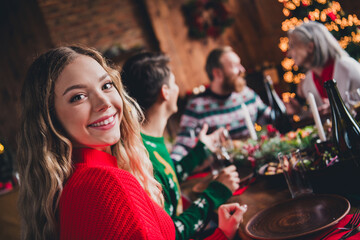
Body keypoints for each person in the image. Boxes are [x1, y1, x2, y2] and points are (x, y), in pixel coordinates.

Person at [17, 46, 246, 240]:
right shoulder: (107, 184)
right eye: (78, 96)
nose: (104, 102)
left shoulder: (80, 178)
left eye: (106, 85)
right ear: (50, 118)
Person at [121, 52, 245, 239]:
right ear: (165, 92)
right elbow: (171, 233)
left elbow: (167, 181)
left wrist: (200, 150)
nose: (177, 88)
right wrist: (213, 195)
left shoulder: (146, 140)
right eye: (174, 83)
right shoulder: (142, 154)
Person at [171, 46, 269, 162]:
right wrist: (172, 167)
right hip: (224, 170)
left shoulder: (245, 93)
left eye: (240, 64)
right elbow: (182, 146)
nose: (242, 69)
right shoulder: (197, 106)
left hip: (256, 161)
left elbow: (269, 117)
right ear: (217, 73)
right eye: (235, 66)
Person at [286, 21, 360, 115]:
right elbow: (319, 121)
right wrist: (300, 112)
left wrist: (337, 109)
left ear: (310, 47)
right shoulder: (307, 82)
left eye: (292, 46)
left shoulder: (348, 68)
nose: (289, 53)